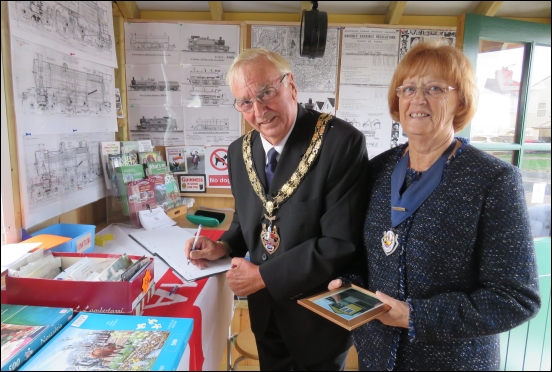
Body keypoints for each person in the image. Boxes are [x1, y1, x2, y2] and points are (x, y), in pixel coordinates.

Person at [329, 42, 540, 370]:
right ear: (398, 101)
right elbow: (359, 255)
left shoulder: (494, 180)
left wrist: (415, 316)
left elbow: (515, 298)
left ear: (461, 101)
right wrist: (346, 285)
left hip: (453, 362)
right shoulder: (376, 170)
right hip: (376, 357)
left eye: (435, 88)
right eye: (409, 88)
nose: (418, 98)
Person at [185, 48, 369, 370]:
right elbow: (247, 220)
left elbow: (339, 242)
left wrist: (262, 276)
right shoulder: (238, 152)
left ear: (291, 86)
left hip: (320, 316)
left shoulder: (341, 142)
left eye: (266, 93)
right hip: (266, 314)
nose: (259, 110)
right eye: (245, 102)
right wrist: (223, 246)